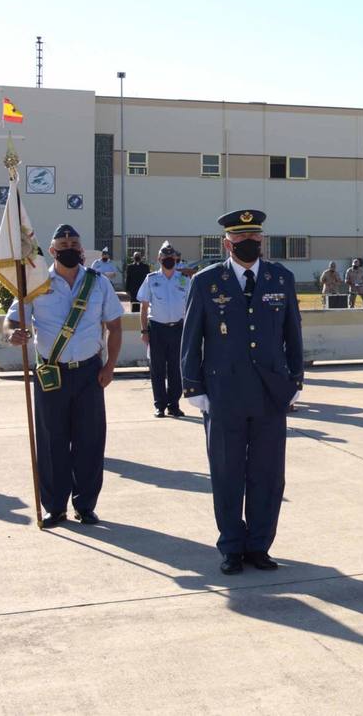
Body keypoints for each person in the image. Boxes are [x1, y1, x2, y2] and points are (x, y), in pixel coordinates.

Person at [181, 209, 303, 574]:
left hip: (269, 392)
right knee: (226, 470)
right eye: (240, 241)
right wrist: (193, 387)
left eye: (254, 239)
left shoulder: (281, 278)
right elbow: (191, 338)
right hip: (224, 392)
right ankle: (231, 546)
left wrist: (295, 380)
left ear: (261, 240)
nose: (249, 245)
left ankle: (259, 546)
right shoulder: (206, 282)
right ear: (226, 244)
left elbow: (292, 333)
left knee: (267, 473)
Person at [3, 224, 124, 527]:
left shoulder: (98, 284)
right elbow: (12, 319)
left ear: (81, 250)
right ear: (53, 251)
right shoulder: (37, 283)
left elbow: (115, 326)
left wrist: (109, 367)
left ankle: (85, 505)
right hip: (51, 374)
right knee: (52, 441)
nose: (69, 247)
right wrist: (12, 335)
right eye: (63, 243)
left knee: (90, 441)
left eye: (74, 242)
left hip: (89, 374)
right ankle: (55, 507)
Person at [138, 241, 191, 419]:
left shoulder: (184, 279)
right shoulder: (151, 279)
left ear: (176, 258)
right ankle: (159, 405)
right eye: (165, 257)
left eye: (171, 257)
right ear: (159, 259)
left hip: (178, 328)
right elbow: (144, 308)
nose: (168, 260)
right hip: (157, 330)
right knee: (158, 369)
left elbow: (191, 307)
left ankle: (174, 405)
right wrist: (144, 331)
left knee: (176, 369)